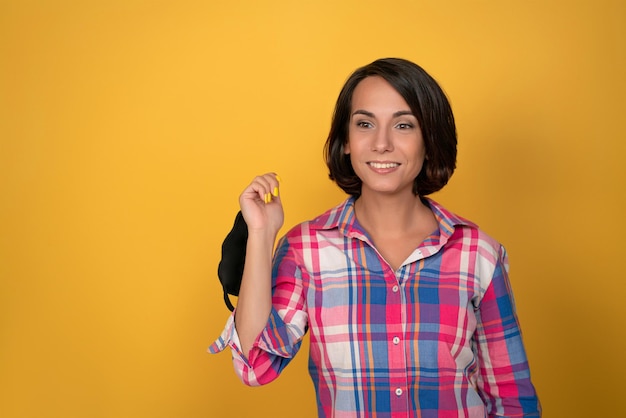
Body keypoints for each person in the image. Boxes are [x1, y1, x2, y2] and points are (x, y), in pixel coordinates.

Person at [209, 58, 541, 417]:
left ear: (429, 141)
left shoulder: (479, 253)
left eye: (403, 125)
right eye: (365, 124)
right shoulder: (306, 250)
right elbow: (255, 366)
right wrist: (261, 233)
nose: (381, 143)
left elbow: (511, 398)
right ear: (346, 141)